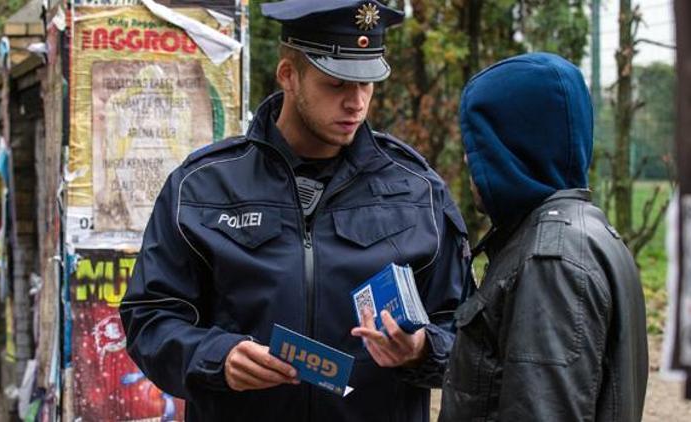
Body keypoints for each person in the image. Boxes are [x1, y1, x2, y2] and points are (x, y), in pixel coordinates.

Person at [120, 1, 471, 421]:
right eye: (337, 83)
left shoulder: (418, 192)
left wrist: (421, 350)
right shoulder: (201, 187)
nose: (356, 103)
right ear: (288, 75)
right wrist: (217, 356)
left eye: (367, 83)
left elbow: (467, 336)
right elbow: (150, 318)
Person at [439, 52, 648, 421]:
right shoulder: (590, 232)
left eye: (480, 147)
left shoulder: (551, 260)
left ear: (513, 149)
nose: (471, 162)